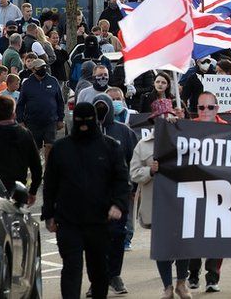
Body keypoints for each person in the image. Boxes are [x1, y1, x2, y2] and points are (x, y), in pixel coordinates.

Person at [43, 102, 131, 299]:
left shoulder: (109, 147)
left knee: (99, 270)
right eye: (79, 122)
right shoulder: (61, 148)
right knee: (71, 268)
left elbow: (121, 179)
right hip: (68, 220)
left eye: (87, 121)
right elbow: (50, 183)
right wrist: (48, 213)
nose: (84, 126)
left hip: (100, 221)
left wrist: (118, 204)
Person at [130, 106, 192, 299]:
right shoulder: (143, 145)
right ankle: (167, 287)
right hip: (157, 203)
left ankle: (182, 283)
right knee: (161, 246)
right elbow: (134, 173)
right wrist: (150, 171)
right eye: (161, 118)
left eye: (169, 117)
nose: (165, 121)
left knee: (184, 244)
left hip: (182, 201)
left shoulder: (185, 140)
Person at [91, 93, 138, 295]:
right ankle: (97, 280)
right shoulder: (86, 132)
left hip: (118, 194)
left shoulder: (124, 132)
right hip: (93, 196)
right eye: (98, 107)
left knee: (118, 236)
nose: (101, 110)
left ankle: (114, 275)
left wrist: (133, 187)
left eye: (104, 106)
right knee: (96, 239)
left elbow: (134, 159)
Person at [187, 92, 226, 292]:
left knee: (217, 236)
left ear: (216, 109)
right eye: (201, 108)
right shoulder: (188, 127)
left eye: (210, 107)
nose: (205, 111)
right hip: (194, 190)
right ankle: (193, 275)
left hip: (220, 192)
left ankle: (213, 277)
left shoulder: (228, 129)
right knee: (194, 235)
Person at [0, 95, 41, 205]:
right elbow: (36, 167)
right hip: (18, 192)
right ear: (13, 114)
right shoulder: (25, 135)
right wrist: (33, 191)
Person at [16, 58, 65, 160]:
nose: (43, 69)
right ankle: (37, 171)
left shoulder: (53, 81)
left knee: (50, 146)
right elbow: (20, 104)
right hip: (33, 122)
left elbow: (60, 101)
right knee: (34, 149)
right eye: (40, 68)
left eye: (44, 67)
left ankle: (48, 172)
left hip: (50, 121)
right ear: (33, 70)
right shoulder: (27, 83)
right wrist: (20, 121)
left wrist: (61, 118)